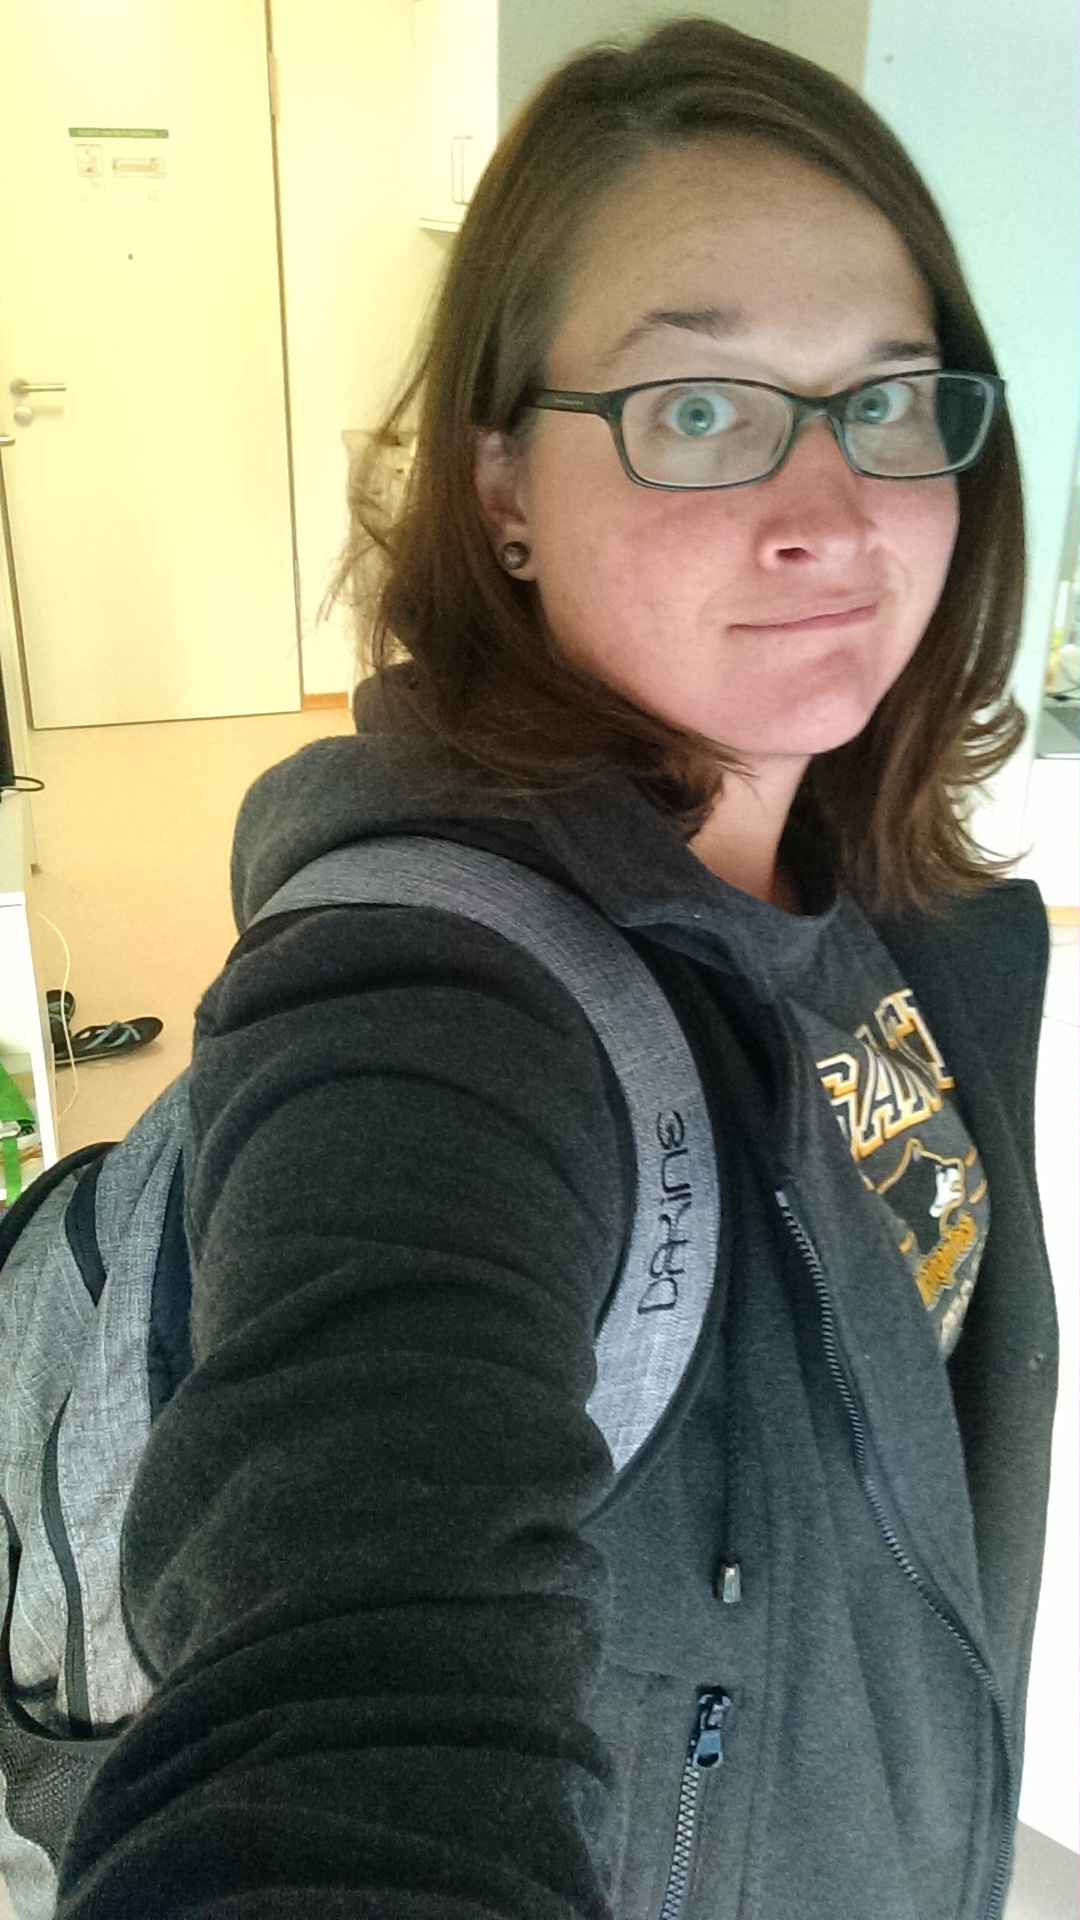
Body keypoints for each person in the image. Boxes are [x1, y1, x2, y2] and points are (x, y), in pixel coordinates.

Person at [55, 19, 1056, 1920]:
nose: (832, 517)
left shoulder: (895, 894)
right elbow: (350, 1675)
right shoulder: (429, 1004)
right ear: (502, 484)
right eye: (702, 411)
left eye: (887, 398)